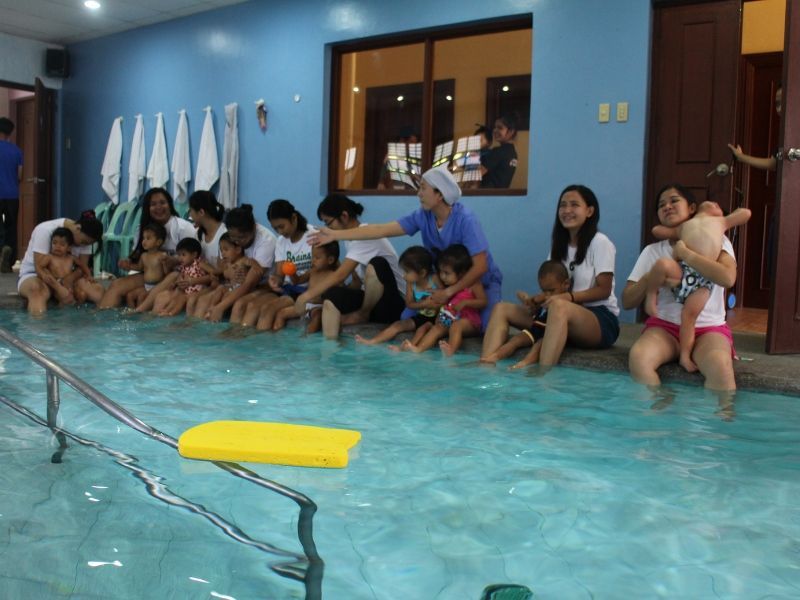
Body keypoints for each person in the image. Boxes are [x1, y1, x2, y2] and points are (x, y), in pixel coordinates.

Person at [310, 166, 502, 330]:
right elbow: (380, 229)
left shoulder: (465, 220)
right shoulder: (423, 216)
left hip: (480, 284)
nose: (418, 193)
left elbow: (480, 266)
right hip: (445, 284)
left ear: (439, 194)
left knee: (485, 327)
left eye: (423, 189)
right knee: (407, 319)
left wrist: (449, 293)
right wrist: (335, 234)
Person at [481, 184, 620, 368]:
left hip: (599, 319)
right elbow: (553, 289)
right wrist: (536, 301)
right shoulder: (559, 245)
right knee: (501, 309)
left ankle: (544, 379)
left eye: (574, 205)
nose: (567, 210)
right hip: (557, 313)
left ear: (589, 211)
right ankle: (485, 369)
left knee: (559, 307)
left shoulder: (600, 242)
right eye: (562, 205)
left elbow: (604, 290)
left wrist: (566, 297)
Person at [624, 184, 739, 392]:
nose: (667, 207)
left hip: (708, 330)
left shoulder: (717, 240)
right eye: (661, 205)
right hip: (664, 328)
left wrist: (687, 255)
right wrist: (652, 278)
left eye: (674, 201)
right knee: (639, 358)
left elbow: (728, 278)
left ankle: (715, 423)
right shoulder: (653, 251)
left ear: (692, 208)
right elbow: (628, 300)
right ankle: (658, 412)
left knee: (720, 367)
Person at [644, 201, 751, 372]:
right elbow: (658, 231)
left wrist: (732, 215)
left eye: (717, 205)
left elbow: (745, 214)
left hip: (703, 279)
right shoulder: (685, 225)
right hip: (682, 271)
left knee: (689, 317)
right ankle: (651, 295)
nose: (712, 204)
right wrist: (673, 230)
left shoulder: (721, 223)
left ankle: (685, 356)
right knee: (662, 264)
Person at [294, 194, 406, 339]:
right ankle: (329, 351)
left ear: (344, 216)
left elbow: (340, 275)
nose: (328, 229)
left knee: (377, 265)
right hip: (372, 301)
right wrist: (325, 298)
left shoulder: (365, 236)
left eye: (329, 223)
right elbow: (356, 283)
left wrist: (305, 296)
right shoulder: (349, 240)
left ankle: (362, 314)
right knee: (332, 295)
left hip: (392, 304)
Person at [97, 188, 195, 308]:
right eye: (153, 204)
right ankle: (100, 317)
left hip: (177, 277)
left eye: (162, 203)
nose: (158, 207)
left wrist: (174, 261)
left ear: (170, 205)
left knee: (172, 276)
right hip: (151, 276)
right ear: (147, 208)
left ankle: (140, 310)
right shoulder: (142, 229)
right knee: (116, 285)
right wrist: (129, 263)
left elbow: (197, 259)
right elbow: (139, 261)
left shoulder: (184, 228)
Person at [392, 244, 486, 356]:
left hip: (469, 322)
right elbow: (445, 306)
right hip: (451, 320)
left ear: (461, 273)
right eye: (441, 272)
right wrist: (438, 316)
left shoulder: (473, 284)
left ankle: (450, 351)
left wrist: (466, 302)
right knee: (437, 328)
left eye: (447, 273)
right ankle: (418, 349)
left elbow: (483, 302)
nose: (442, 276)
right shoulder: (447, 288)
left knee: (457, 326)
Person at [727, 85, 782, 275]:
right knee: (777, 257)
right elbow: (773, 164)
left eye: (784, 102)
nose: (779, 109)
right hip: (783, 204)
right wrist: (741, 158)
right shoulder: (786, 135)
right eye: (777, 104)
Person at [236, 199, 314, 330]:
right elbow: (280, 275)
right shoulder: (281, 242)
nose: (280, 231)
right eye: (275, 228)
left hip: (307, 291)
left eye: (282, 226)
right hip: (288, 289)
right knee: (253, 306)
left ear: (294, 218)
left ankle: (261, 347)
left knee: (269, 310)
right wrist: (275, 281)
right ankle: (243, 339)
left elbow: (321, 269)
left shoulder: (313, 237)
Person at [480, 260, 571, 368]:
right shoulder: (545, 298)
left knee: (538, 346)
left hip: (548, 331)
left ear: (566, 284)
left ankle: (524, 363)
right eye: (544, 291)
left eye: (551, 291)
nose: (547, 295)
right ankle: (492, 357)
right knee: (515, 341)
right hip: (537, 327)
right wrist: (530, 300)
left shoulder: (566, 302)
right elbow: (520, 294)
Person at [17, 210, 104, 314]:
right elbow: (39, 268)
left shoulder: (87, 238)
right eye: (83, 242)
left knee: (99, 292)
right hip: (35, 275)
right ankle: (38, 328)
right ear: (77, 228)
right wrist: (60, 289)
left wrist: (69, 279)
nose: (84, 246)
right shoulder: (45, 230)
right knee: (37, 292)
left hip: (67, 276)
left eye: (88, 244)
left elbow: (82, 267)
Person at [355, 245, 440, 345]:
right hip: (421, 316)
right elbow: (409, 304)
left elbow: (446, 300)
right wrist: (425, 304)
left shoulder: (435, 280)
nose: (404, 276)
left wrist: (437, 305)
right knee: (397, 325)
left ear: (422, 273)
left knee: (423, 329)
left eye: (407, 272)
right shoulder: (410, 283)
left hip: (436, 318)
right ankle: (372, 341)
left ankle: (410, 348)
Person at [204, 204, 275, 322]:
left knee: (239, 305)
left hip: (265, 286)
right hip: (241, 284)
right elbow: (224, 267)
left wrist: (220, 308)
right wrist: (230, 273)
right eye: (233, 238)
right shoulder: (235, 237)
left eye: (241, 238)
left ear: (253, 228)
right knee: (205, 299)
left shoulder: (266, 242)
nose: (238, 242)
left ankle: (236, 337)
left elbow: (249, 283)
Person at [268, 241, 342, 333]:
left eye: (317, 258)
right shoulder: (312, 271)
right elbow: (297, 281)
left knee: (317, 317)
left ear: (330, 260)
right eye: (312, 256)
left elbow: (336, 297)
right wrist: (292, 273)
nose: (313, 260)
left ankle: (307, 340)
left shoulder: (334, 276)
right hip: (305, 305)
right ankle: (277, 336)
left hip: (318, 307)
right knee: (281, 313)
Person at [34, 227, 93, 306]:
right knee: (64, 299)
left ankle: (77, 313)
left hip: (70, 284)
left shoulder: (71, 258)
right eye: (54, 243)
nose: (57, 246)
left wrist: (89, 275)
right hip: (57, 285)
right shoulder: (49, 257)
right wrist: (43, 275)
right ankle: (62, 313)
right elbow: (39, 266)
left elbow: (83, 265)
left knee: (82, 295)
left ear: (69, 247)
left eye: (62, 244)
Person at [152, 237, 211, 316]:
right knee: (176, 296)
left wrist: (220, 271)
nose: (180, 258)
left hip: (197, 290)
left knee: (180, 299)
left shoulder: (199, 263)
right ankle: (166, 310)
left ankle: (171, 313)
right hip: (187, 290)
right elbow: (180, 276)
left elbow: (212, 273)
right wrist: (174, 283)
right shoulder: (184, 266)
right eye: (179, 255)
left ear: (194, 255)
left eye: (183, 255)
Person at [124, 223, 169, 309]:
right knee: (129, 296)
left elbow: (167, 273)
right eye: (143, 238)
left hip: (156, 286)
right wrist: (129, 266)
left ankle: (141, 317)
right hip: (146, 285)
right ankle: (132, 315)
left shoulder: (162, 255)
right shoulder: (144, 255)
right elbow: (139, 268)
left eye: (148, 238)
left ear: (158, 242)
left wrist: (165, 264)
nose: (144, 241)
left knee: (141, 297)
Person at [0, 117, 23, 272]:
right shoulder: (17, 151)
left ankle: (1, 250)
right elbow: (20, 175)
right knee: (11, 227)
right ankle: (8, 261)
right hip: (12, 195)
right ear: (10, 132)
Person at [480, 114, 518, 189]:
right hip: (500, 196)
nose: (495, 130)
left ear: (511, 132)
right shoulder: (512, 152)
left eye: (500, 128)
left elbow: (476, 174)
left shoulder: (499, 151)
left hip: (488, 195)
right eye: (495, 127)